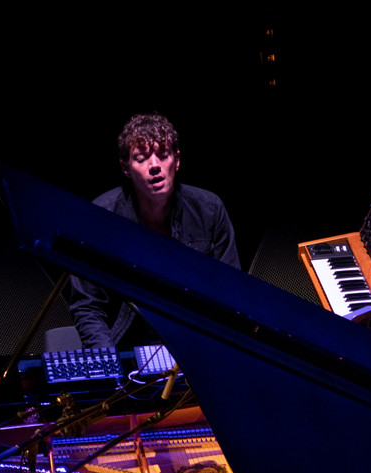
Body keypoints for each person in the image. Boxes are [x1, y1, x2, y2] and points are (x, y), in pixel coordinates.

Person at [67, 113, 241, 349]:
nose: (155, 166)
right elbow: (87, 305)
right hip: (128, 349)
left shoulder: (209, 210)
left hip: (199, 347)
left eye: (163, 155)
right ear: (125, 168)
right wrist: (108, 364)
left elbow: (231, 295)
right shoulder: (101, 217)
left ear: (177, 160)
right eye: (141, 158)